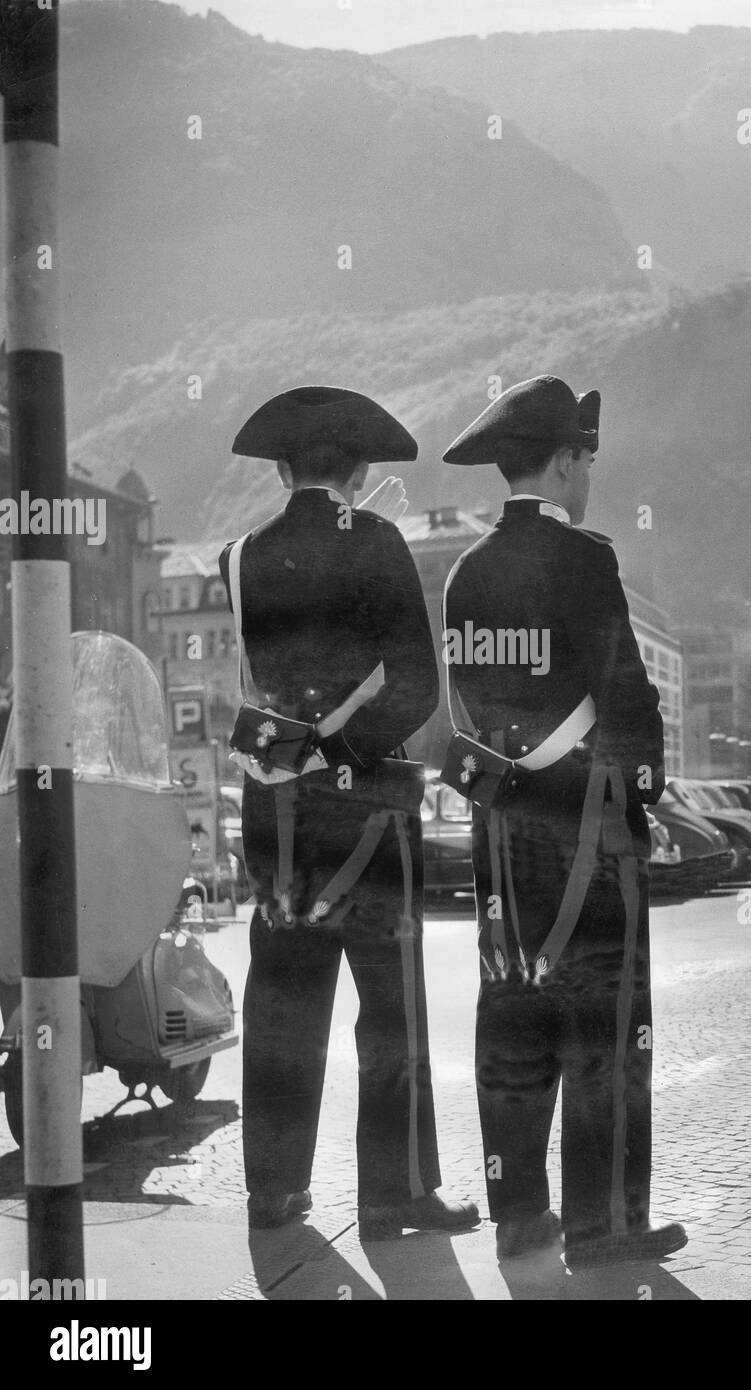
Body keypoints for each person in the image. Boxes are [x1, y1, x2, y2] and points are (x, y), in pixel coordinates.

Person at [441, 375, 688, 1266]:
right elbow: (624, 697)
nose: (589, 476)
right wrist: (643, 790)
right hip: (587, 830)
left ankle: (517, 1214)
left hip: (501, 838)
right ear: (562, 460)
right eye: (584, 458)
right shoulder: (585, 562)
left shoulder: (465, 573)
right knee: (606, 1030)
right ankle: (604, 1224)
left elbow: (469, 705)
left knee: (510, 1021)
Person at [221, 386, 478, 1236]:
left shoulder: (238, 554)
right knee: (390, 1003)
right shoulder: (377, 540)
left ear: (283, 468)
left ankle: (272, 1190)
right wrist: (347, 746)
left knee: (282, 1003)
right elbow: (414, 685)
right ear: (359, 468)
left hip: (276, 806)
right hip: (364, 802)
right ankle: (393, 1194)